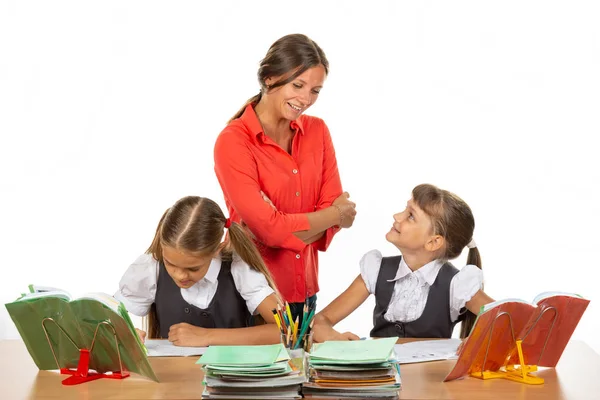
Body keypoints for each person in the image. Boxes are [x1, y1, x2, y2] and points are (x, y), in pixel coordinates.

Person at [214, 34, 356, 322]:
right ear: (269, 79)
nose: (306, 99)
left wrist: (282, 226)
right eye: (298, 85)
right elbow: (269, 230)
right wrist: (332, 215)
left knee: (302, 368)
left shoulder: (318, 132)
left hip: (305, 293)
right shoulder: (233, 142)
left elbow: (334, 215)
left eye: (315, 90)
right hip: (251, 297)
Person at [312, 184, 495, 342]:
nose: (397, 216)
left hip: (433, 381)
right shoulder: (376, 270)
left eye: (411, 216)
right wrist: (334, 338)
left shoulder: (456, 284)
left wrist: (473, 350)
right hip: (383, 378)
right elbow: (320, 321)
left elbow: (508, 322)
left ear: (433, 242)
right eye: (405, 209)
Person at [114, 196, 281, 346]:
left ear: (217, 248)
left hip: (233, 378)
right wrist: (123, 333)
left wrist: (207, 336)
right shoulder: (150, 267)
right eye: (170, 263)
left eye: (193, 268)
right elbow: (104, 320)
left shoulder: (238, 268)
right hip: (172, 377)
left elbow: (283, 330)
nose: (180, 275)